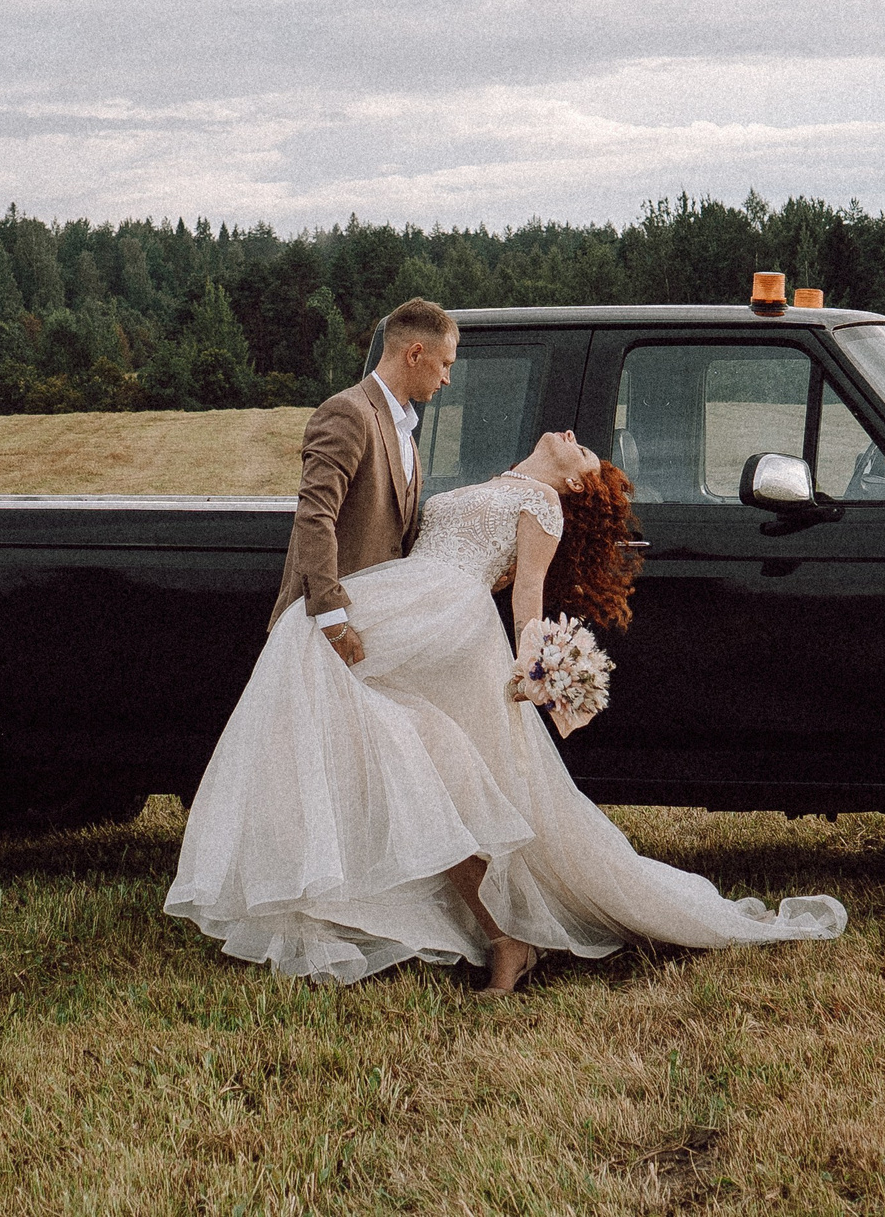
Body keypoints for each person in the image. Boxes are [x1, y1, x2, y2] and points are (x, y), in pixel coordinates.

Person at [166, 338, 848, 990]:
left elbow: (526, 601)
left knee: (309, 647)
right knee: (422, 758)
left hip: (445, 618)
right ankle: (472, 926)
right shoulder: (493, 482)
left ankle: (484, 930)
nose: (575, 440)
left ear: (578, 485)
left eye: (584, 454)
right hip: (411, 597)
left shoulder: (544, 503)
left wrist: (537, 668)